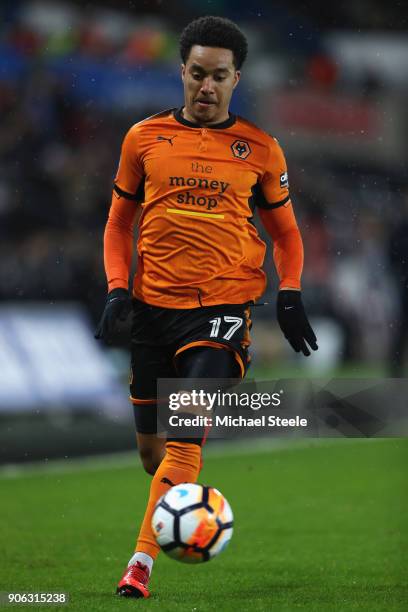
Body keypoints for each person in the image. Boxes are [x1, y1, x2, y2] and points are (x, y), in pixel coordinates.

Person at [95, 16, 317, 599]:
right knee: (153, 455)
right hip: (151, 309)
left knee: (185, 434)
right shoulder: (142, 139)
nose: (207, 87)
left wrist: (289, 291)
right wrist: (118, 288)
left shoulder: (261, 150)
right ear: (182, 72)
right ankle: (171, 495)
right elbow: (118, 224)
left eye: (219, 76)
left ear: (236, 79)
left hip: (221, 312)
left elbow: (288, 236)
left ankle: (139, 564)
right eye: (197, 74)